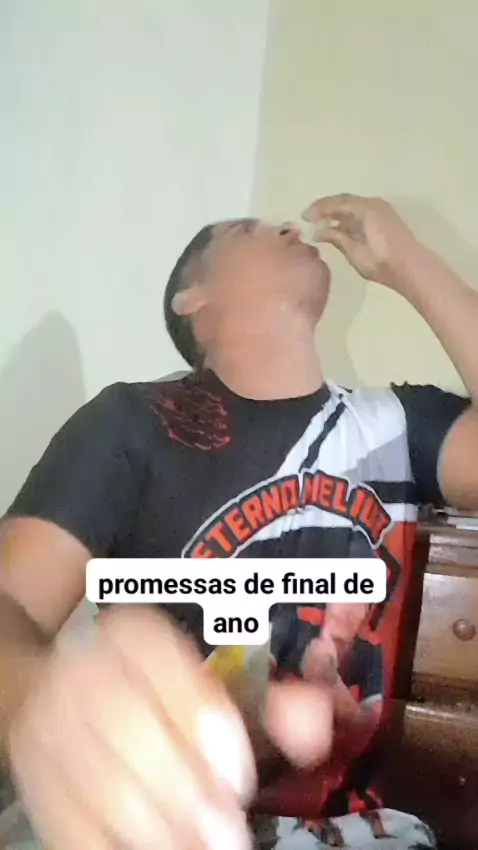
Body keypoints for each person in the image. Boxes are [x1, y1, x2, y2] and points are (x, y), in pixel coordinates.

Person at [1, 194, 477, 850]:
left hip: (356, 832)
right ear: (191, 299)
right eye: (247, 228)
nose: (283, 225)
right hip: (168, 827)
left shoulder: (399, 424)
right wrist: (45, 703)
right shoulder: (131, 422)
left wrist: (410, 261)